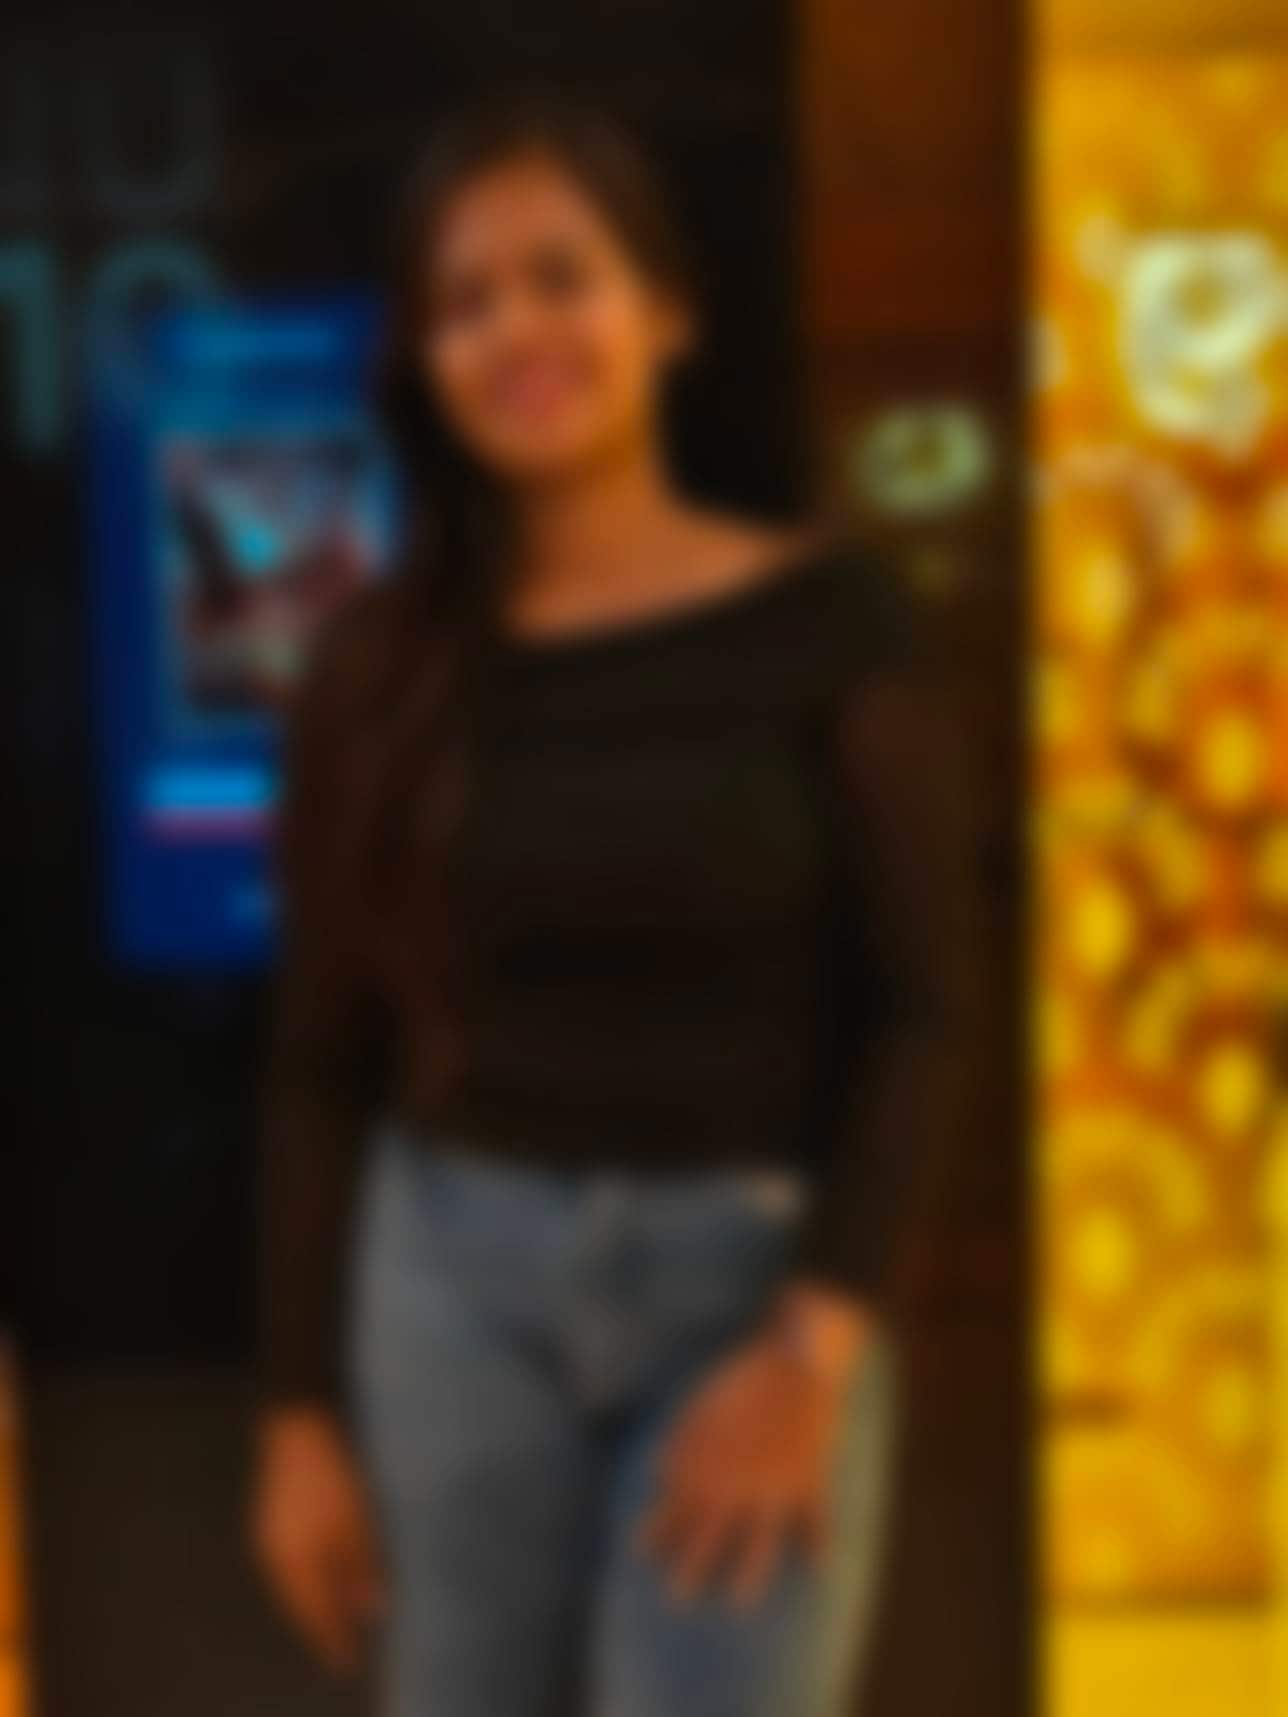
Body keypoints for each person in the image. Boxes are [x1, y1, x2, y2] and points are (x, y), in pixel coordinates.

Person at [250, 86, 982, 1717]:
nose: (515, 327)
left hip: (752, 1294)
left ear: (666, 312)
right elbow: (317, 1055)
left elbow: (925, 1012)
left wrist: (816, 1345)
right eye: (465, 300)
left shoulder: (830, 621)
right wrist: (297, 1414)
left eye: (560, 276)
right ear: (427, 360)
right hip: (450, 1288)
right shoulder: (376, 667)